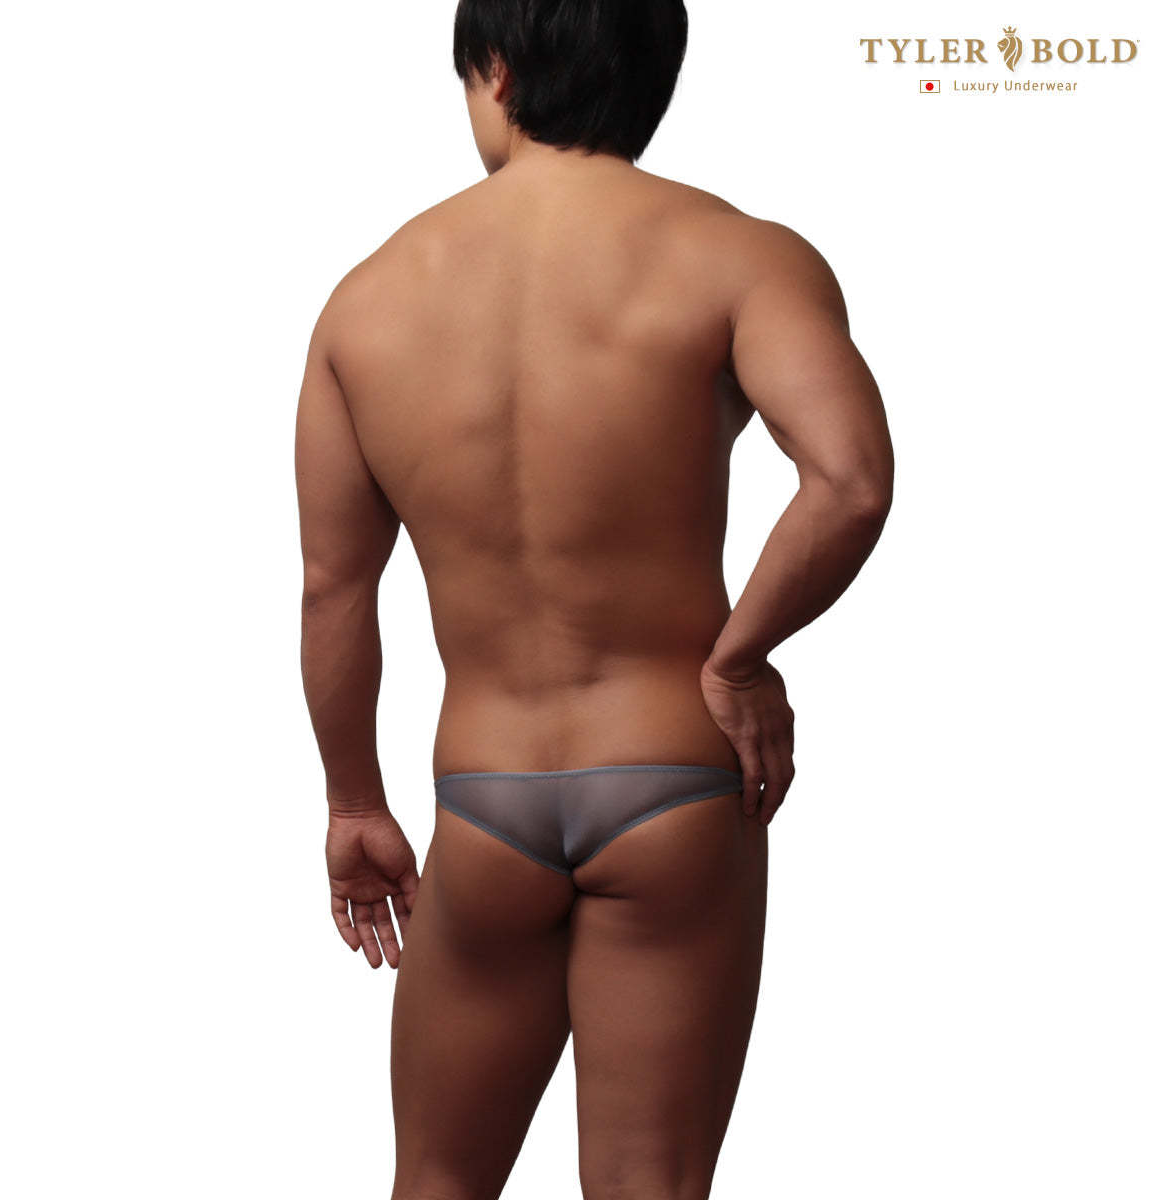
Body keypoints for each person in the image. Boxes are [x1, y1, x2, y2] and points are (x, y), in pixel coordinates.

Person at [294, 2, 893, 1197]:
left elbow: (334, 587)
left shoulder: (365, 301)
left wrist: (355, 800)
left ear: (497, 73)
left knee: (437, 1181)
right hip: (671, 774)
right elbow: (849, 481)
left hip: (483, 796)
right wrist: (739, 656)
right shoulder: (740, 255)